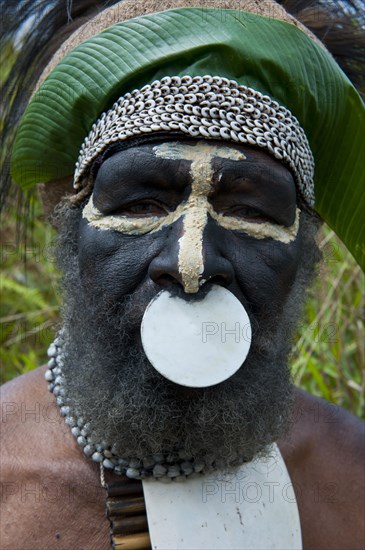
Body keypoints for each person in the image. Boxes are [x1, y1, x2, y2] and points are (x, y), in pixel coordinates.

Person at [1, 1, 364, 549]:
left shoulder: (349, 475)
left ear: (306, 257)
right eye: (143, 202)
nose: (191, 264)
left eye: (250, 212)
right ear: (72, 236)